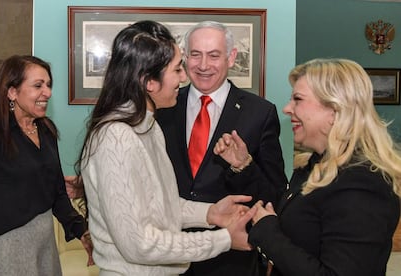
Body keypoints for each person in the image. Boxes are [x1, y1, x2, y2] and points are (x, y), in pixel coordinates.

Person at [76, 20, 257, 276]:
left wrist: (211, 213)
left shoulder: (149, 127)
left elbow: (161, 207)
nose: (184, 78)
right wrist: (223, 239)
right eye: (176, 70)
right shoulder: (116, 137)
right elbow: (139, 243)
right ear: (149, 82)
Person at [243, 58, 401, 276]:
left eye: (298, 99)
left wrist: (268, 234)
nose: (287, 108)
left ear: (335, 110)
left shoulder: (362, 183)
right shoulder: (316, 165)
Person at [156, 20, 288, 275]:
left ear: (231, 57)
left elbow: (274, 194)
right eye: (195, 55)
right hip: (167, 254)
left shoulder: (259, 113)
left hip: (230, 258)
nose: (203, 65)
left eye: (214, 55)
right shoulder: (164, 107)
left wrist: (244, 167)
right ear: (185, 57)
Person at [0, 55, 93, 275]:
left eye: (48, 85)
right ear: (12, 92)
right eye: (38, 85)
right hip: (8, 244)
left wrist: (81, 230)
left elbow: (56, 191)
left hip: (45, 240)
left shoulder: (46, 130)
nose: (48, 92)